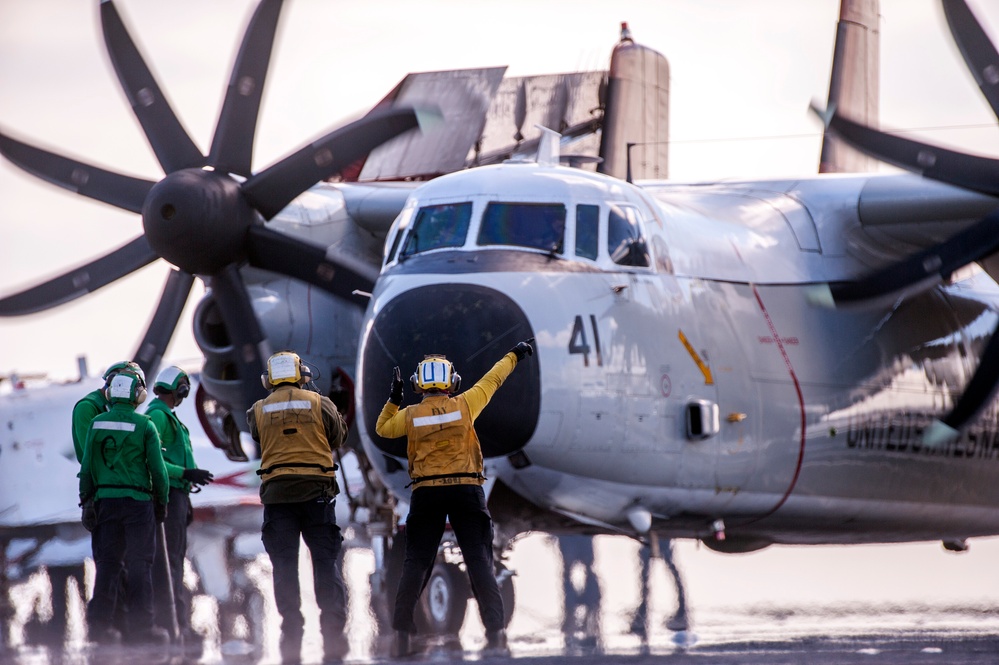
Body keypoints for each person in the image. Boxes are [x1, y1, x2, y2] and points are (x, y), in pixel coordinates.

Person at [375, 339, 535, 657]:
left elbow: (382, 429)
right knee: (479, 563)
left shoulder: (409, 416)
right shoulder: (466, 404)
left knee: (415, 565)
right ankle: (496, 633)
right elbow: (494, 376)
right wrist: (516, 353)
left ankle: (403, 634)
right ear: (453, 382)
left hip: (426, 493)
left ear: (418, 385)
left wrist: (394, 399)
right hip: (466, 491)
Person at [246, 351, 349, 664]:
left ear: (269, 380)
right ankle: (333, 632)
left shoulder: (259, 410)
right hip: (316, 494)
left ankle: (292, 630)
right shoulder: (321, 403)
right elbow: (339, 437)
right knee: (325, 563)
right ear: (303, 374)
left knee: (285, 567)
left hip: (278, 499)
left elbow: (257, 438)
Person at [78, 368, 170, 645]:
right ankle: (143, 629)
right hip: (138, 503)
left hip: (106, 502)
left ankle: (99, 628)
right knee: (140, 564)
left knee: (107, 564)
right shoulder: (145, 426)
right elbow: (158, 470)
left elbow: (86, 469)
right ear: (138, 394)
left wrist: (87, 503)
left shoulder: (96, 424)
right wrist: (161, 503)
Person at [72, 360, 144, 640]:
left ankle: (121, 625)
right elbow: (88, 457)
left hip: (119, 492)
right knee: (109, 562)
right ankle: (101, 628)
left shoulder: (109, 409)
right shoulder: (87, 408)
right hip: (104, 494)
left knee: (121, 562)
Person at [145, 366, 214, 643]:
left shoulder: (167, 417)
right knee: (169, 563)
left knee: (174, 561)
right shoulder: (157, 416)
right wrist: (184, 474)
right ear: (180, 389)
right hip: (169, 494)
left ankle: (178, 623)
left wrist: (187, 489)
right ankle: (174, 626)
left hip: (178, 496)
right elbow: (151, 458)